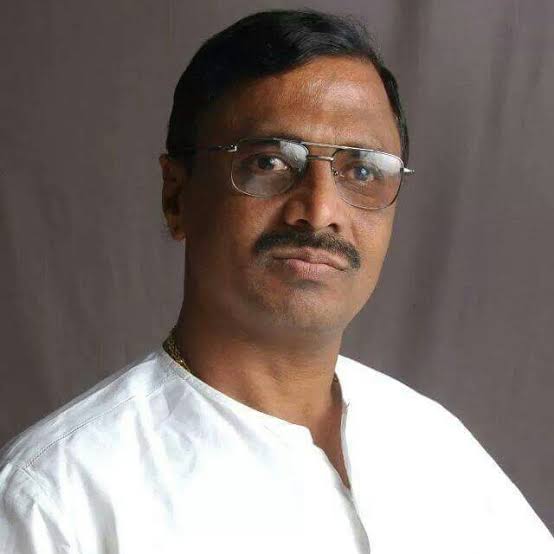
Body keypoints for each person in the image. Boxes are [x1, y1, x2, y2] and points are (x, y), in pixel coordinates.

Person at [0, 8, 552, 554]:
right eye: (268, 162)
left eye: (362, 170)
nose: (320, 211)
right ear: (177, 196)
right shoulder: (56, 498)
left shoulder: (434, 443)